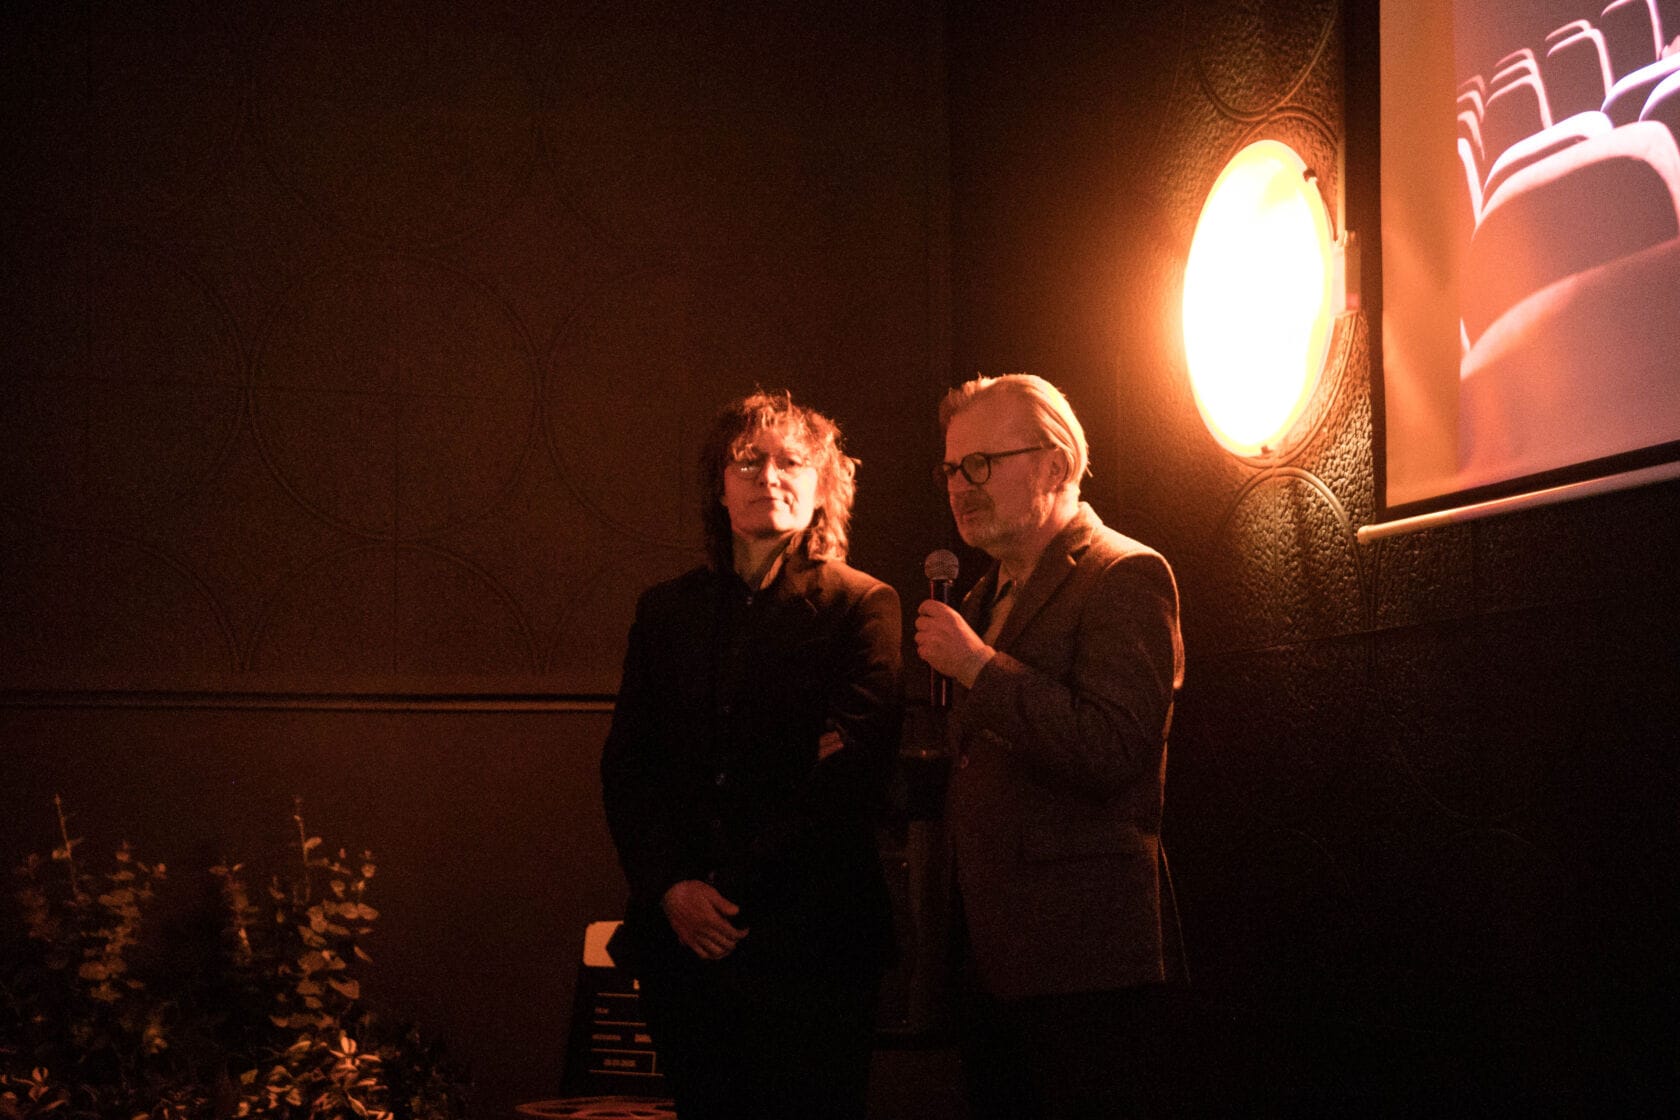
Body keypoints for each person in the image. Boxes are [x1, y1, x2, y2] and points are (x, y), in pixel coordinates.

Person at [599, 389, 903, 1120]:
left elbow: (843, 781)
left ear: (822, 485)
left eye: (790, 461)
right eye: (746, 461)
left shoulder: (862, 606)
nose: (768, 475)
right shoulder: (665, 611)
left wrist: (723, 895)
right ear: (719, 486)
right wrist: (673, 889)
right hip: (682, 950)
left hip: (812, 945)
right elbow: (628, 765)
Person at [914, 373, 1186, 1118]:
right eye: (951, 468)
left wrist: (978, 667)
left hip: (1083, 959)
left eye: (981, 464)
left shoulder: (1125, 574)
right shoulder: (982, 595)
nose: (960, 486)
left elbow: (1112, 746)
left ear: (1056, 464)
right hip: (992, 957)